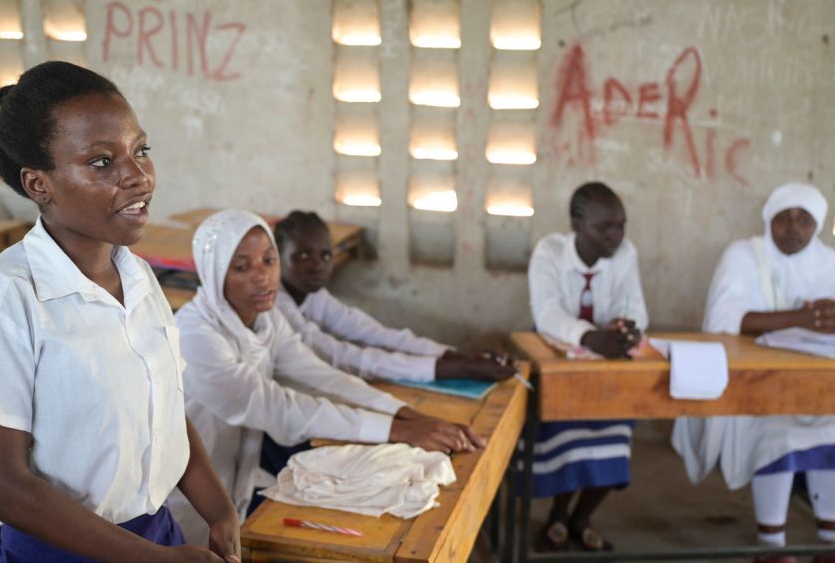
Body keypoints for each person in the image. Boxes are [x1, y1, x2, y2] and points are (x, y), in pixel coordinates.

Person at [0, 61, 239, 562]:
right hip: (57, 550)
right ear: (39, 185)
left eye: (140, 150)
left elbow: (161, 407)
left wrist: (219, 510)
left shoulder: (139, 276)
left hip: (155, 532)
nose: (138, 175)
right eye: (102, 162)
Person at [167, 209, 485, 544]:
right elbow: (279, 407)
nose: (263, 276)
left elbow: (321, 375)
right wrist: (399, 430)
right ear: (214, 274)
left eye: (269, 260)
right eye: (242, 267)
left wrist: (407, 413)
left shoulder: (265, 319)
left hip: (234, 480)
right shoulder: (196, 336)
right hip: (187, 494)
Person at [673, 182, 835, 561]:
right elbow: (723, 319)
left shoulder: (829, 262)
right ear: (768, 220)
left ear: (819, 225)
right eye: (783, 218)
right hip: (754, 388)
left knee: (831, 428)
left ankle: (829, 536)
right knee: (776, 434)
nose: (793, 228)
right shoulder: (744, 255)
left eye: (804, 220)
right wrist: (800, 318)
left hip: (816, 386)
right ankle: (771, 543)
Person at [527, 182, 649, 552]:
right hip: (561, 361)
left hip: (607, 362)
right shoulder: (550, 252)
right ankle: (560, 514)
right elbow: (546, 313)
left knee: (615, 432)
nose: (615, 235)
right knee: (568, 429)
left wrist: (626, 327)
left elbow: (634, 305)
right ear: (577, 223)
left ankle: (581, 517)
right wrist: (588, 337)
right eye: (604, 227)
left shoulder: (625, 253)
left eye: (620, 225)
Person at [273, 210, 516, 382]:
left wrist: (455, 354)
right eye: (302, 256)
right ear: (276, 258)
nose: (317, 266)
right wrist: (461, 369)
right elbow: (339, 355)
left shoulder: (313, 295)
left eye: (325, 256)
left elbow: (371, 332)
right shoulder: (276, 305)